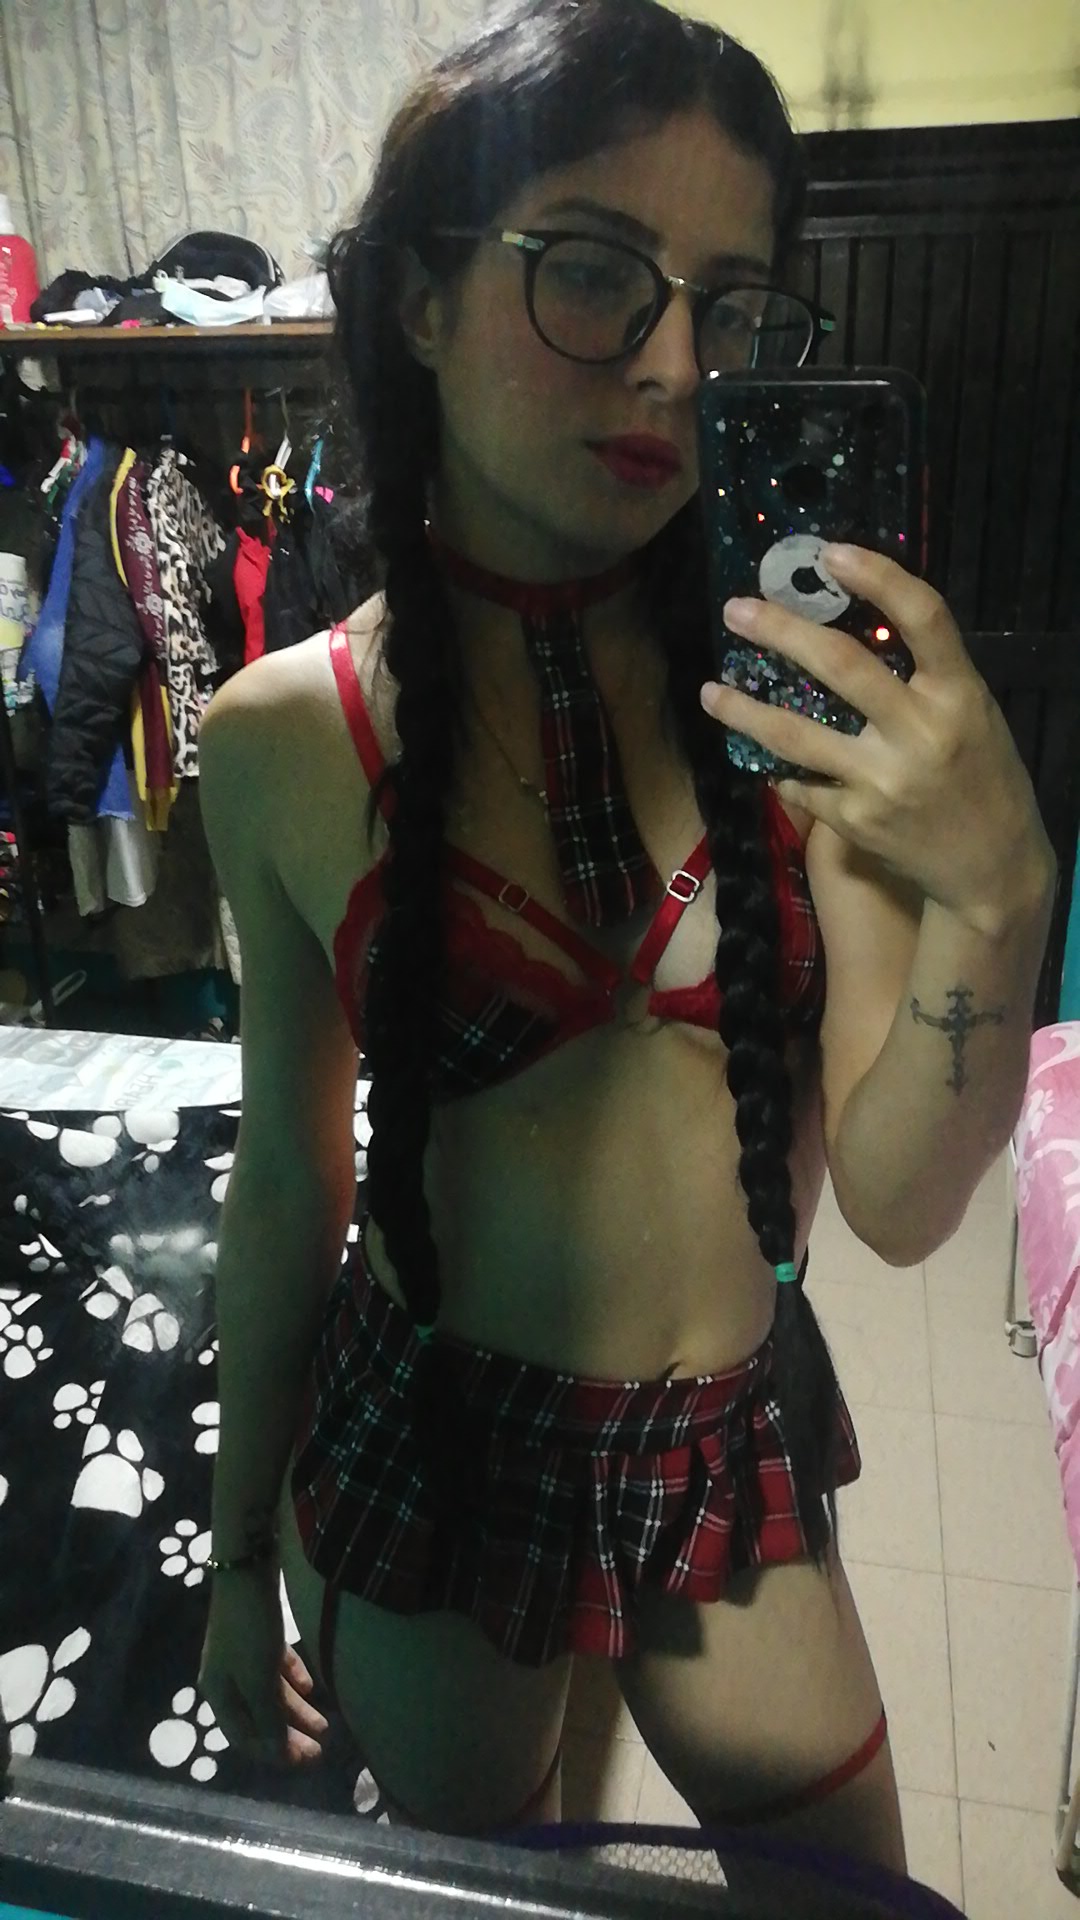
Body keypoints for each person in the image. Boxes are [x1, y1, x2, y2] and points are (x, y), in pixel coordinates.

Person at [196, 0, 1055, 1869]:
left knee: (854, 1898)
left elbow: (905, 1202)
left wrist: (1001, 898)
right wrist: (235, 1548)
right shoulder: (282, 740)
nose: (675, 364)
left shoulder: (803, 706)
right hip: (433, 1444)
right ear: (421, 298)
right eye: (593, 269)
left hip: (723, 1439)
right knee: (486, 1887)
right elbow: (288, 1179)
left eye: (730, 305)